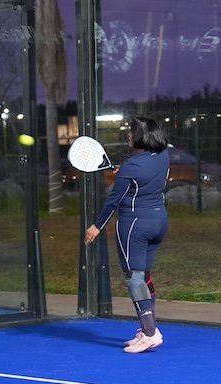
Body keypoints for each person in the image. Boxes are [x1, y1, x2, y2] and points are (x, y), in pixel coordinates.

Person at [84, 116, 170, 353]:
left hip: (135, 226)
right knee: (144, 275)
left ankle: (150, 334)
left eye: (131, 132)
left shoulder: (131, 166)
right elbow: (145, 176)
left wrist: (97, 226)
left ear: (141, 136)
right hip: (160, 221)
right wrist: (126, 174)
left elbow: (114, 200)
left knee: (134, 278)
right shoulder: (163, 156)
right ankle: (149, 329)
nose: (128, 135)